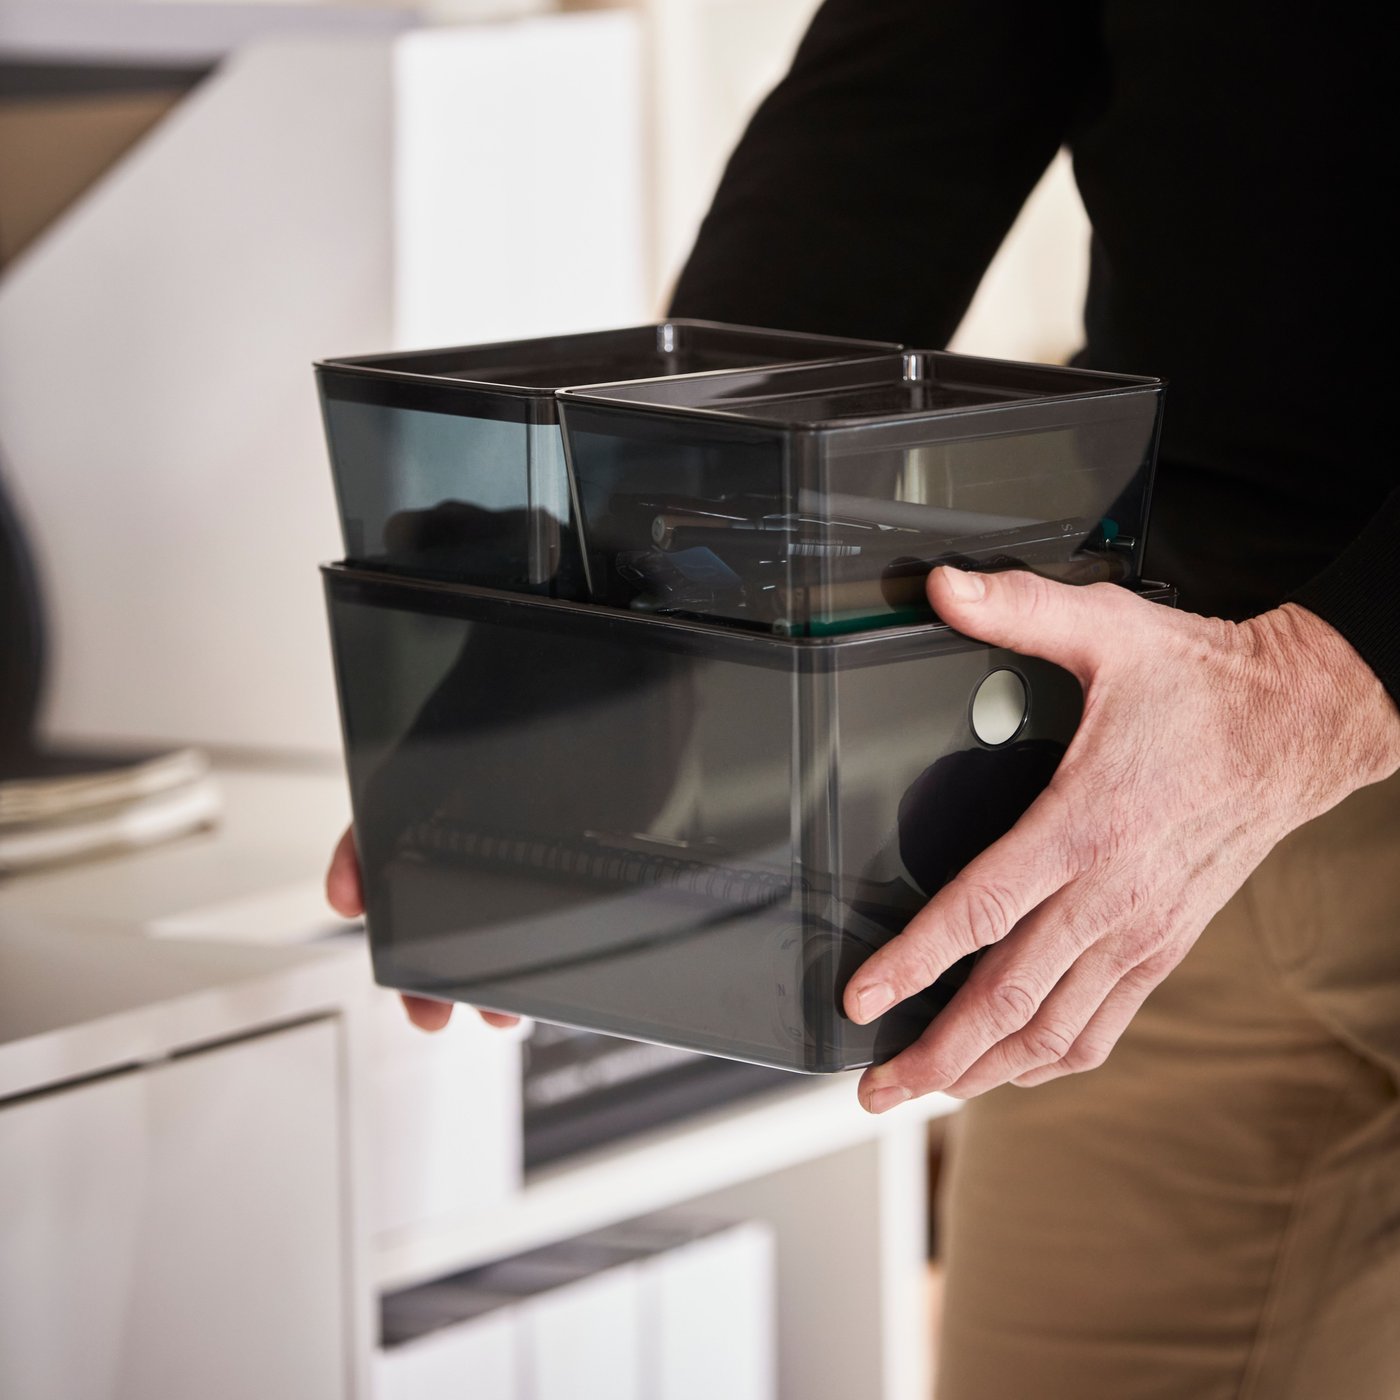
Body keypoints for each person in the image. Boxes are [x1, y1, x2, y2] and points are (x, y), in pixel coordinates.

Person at [329, 3, 1400, 1393]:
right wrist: (623, 609)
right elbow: (894, 119)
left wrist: (1320, 687)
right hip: (1145, 750)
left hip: (1269, 715)